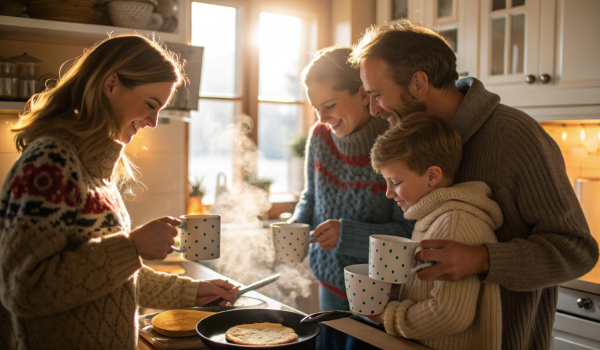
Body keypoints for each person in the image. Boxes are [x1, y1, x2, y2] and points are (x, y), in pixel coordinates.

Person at [349, 22, 599, 349]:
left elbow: (578, 250)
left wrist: (482, 259)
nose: (373, 109)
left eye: (377, 95)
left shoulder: (514, 137)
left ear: (419, 82)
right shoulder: (412, 138)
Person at [0, 34, 238, 349]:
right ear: (111, 84)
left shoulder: (95, 170)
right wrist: (132, 246)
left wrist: (192, 292)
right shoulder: (50, 162)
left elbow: (109, 279)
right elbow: (25, 290)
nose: (153, 122)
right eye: (151, 105)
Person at [290, 47, 414, 313]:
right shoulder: (320, 137)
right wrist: (297, 223)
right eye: (316, 108)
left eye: (330, 105)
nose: (322, 118)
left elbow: (409, 233)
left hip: (379, 292)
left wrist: (347, 235)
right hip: (328, 284)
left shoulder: (398, 143)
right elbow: (311, 196)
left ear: (361, 93)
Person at [369, 112, 502, 350]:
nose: (388, 193)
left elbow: (449, 314)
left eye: (396, 182)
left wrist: (388, 316)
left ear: (432, 176)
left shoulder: (454, 223)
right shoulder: (433, 217)